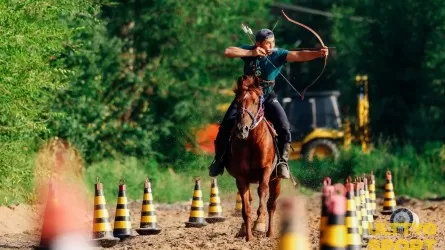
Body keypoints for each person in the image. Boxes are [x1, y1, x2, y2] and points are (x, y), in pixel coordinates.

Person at [209, 28, 329, 179]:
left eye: (273, 42)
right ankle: (219, 160)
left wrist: (318, 53)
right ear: (258, 44)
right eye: (268, 43)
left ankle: (283, 163)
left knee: (284, 126)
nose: (271, 45)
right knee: (226, 125)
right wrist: (252, 53)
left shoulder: (278, 54)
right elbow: (228, 51)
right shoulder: (249, 50)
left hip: (267, 97)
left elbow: (298, 55)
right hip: (247, 97)